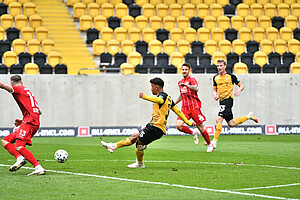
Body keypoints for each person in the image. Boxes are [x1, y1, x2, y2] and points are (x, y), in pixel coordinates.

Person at [101, 77, 195, 168]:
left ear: (157, 87)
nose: (151, 88)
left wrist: (144, 97)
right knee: (134, 136)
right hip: (154, 127)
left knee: (139, 143)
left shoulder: (162, 96)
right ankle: (113, 146)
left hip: (155, 128)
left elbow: (160, 100)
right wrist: (188, 123)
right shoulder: (169, 99)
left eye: (152, 86)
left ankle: (140, 163)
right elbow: (178, 111)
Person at [1, 75, 45, 176]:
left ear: (12, 83)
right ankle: (20, 159)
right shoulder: (27, 91)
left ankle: (38, 167)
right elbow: (39, 111)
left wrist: (26, 120)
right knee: (5, 141)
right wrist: (23, 120)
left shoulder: (18, 89)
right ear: (22, 82)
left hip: (29, 123)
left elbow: (3, 86)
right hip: (31, 122)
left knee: (19, 146)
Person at [210, 59, 259, 149]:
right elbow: (214, 89)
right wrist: (215, 95)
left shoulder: (231, 76)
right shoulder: (215, 77)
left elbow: (241, 86)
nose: (219, 68)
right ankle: (249, 116)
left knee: (218, 120)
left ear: (225, 66)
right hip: (221, 101)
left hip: (228, 100)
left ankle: (214, 142)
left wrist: (238, 90)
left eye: (221, 66)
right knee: (231, 123)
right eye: (218, 66)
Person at [175, 63, 214, 152]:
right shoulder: (180, 82)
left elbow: (196, 88)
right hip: (184, 109)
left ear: (189, 70)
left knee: (200, 127)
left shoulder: (192, 80)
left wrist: (187, 85)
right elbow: (182, 95)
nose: (184, 71)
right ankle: (193, 133)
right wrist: (175, 103)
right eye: (183, 69)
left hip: (194, 108)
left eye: (186, 70)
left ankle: (209, 144)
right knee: (178, 125)